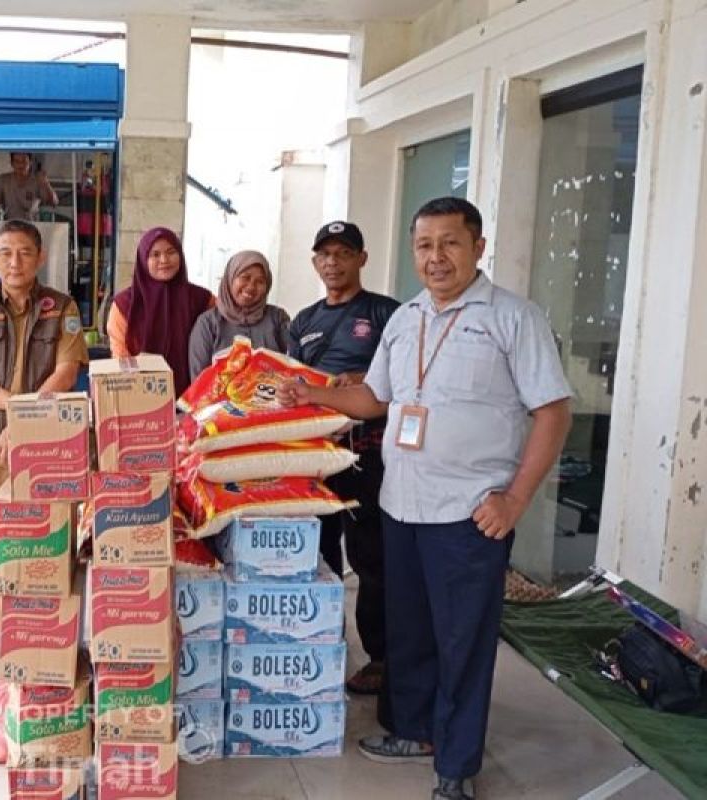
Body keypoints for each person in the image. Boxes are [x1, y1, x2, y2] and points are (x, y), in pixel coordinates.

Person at [277, 197, 571, 800]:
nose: (436, 258)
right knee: (409, 630)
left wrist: (515, 499)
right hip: (401, 503)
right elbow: (374, 400)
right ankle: (412, 730)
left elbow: (553, 411)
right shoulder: (406, 319)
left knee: (462, 640)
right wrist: (308, 395)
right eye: (424, 245)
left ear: (478, 247)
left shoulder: (513, 318)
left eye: (450, 243)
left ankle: (457, 765)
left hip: (470, 514)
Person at [0, 219, 88, 668]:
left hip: (48, 445)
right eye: (5, 252)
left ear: (41, 257)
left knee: (46, 538)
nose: (15, 261)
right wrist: (16, 410)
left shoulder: (62, 307)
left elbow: (67, 370)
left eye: (25, 252)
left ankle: (40, 624)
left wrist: (28, 423)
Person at [286, 221, 399, 696]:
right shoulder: (303, 321)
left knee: (370, 557)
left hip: (367, 452)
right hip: (315, 453)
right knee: (318, 552)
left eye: (344, 253)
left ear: (361, 259)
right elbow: (291, 382)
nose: (333, 262)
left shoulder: (386, 313)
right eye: (325, 255)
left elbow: (398, 378)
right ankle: (322, 643)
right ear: (315, 262)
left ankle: (380, 655)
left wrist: (357, 380)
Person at [106, 227, 214, 396]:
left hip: (193, 400)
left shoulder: (203, 299)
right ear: (143, 260)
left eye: (171, 252)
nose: (164, 260)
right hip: (140, 399)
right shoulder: (125, 304)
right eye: (155, 255)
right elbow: (121, 359)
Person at [188, 249, 289, 374]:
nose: (251, 286)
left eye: (260, 281)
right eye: (245, 277)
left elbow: (293, 365)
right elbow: (199, 380)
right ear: (230, 279)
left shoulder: (277, 318)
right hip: (218, 393)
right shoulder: (208, 323)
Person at [0, 152, 59, 221]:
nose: (20, 165)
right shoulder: (3, 179)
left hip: (32, 225)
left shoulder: (38, 180)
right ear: (12, 163)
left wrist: (45, 183)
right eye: (17, 161)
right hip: (9, 225)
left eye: (24, 161)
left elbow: (54, 203)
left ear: (30, 162)